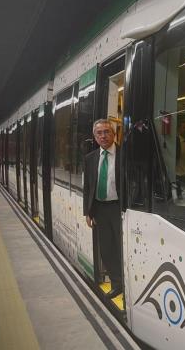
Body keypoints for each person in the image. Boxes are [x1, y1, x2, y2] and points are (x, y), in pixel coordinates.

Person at [83, 119, 122, 299]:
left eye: (107, 132)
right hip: (100, 209)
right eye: (99, 133)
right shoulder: (90, 159)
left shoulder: (124, 155)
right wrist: (88, 212)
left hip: (119, 209)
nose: (103, 136)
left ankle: (128, 283)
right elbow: (88, 186)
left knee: (121, 248)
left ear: (114, 134)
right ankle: (116, 284)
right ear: (94, 136)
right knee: (106, 250)